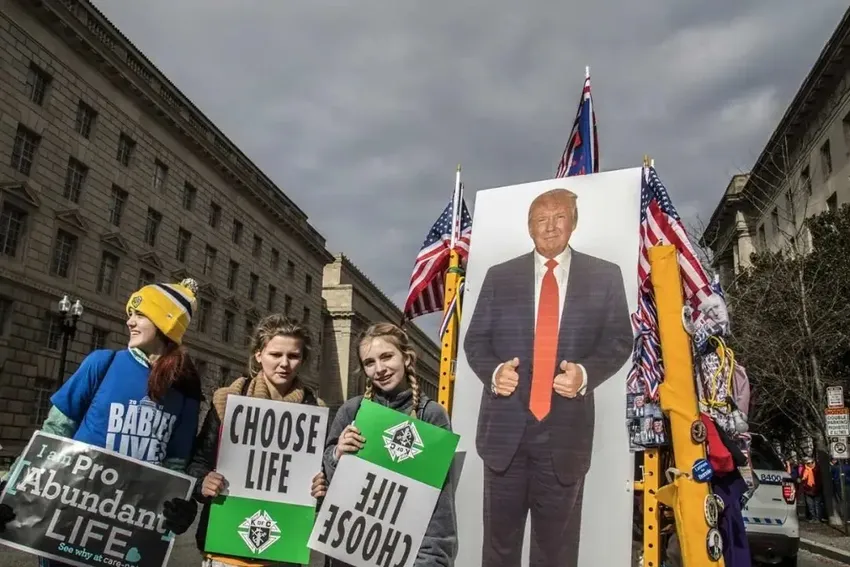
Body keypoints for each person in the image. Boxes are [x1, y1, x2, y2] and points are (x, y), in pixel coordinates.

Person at [463, 188, 634, 567]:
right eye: (541, 220)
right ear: (529, 228)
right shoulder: (499, 277)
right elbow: (475, 342)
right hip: (505, 435)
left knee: (556, 553)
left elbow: (620, 340)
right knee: (498, 549)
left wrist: (586, 374)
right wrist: (494, 373)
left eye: (559, 218)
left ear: (574, 222)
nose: (550, 227)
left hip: (564, 439)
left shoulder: (604, 276)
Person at [0, 278, 205, 566]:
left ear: (165, 323)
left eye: (140, 314)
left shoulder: (186, 389)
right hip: (67, 519)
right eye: (129, 315)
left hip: (129, 531)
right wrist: (13, 488)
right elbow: (53, 433)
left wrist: (179, 507)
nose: (130, 322)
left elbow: (176, 464)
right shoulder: (102, 362)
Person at [188, 313, 329, 567]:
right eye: (276, 354)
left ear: (303, 360)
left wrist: (320, 489)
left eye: (293, 356)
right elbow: (198, 462)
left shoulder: (315, 412)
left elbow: (321, 487)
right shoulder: (226, 401)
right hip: (226, 550)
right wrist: (202, 483)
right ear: (259, 354)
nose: (284, 363)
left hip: (283, 550)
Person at [323, 322, 457, 567]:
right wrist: (336, 454)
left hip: (408, 558)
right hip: (349, 553)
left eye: (387, 357)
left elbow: (440, 504)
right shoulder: (351, 410)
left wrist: (433, 561)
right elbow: (326, 485)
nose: (380, 369)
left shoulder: (431, 415)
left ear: (406, 358)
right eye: (370, 362)